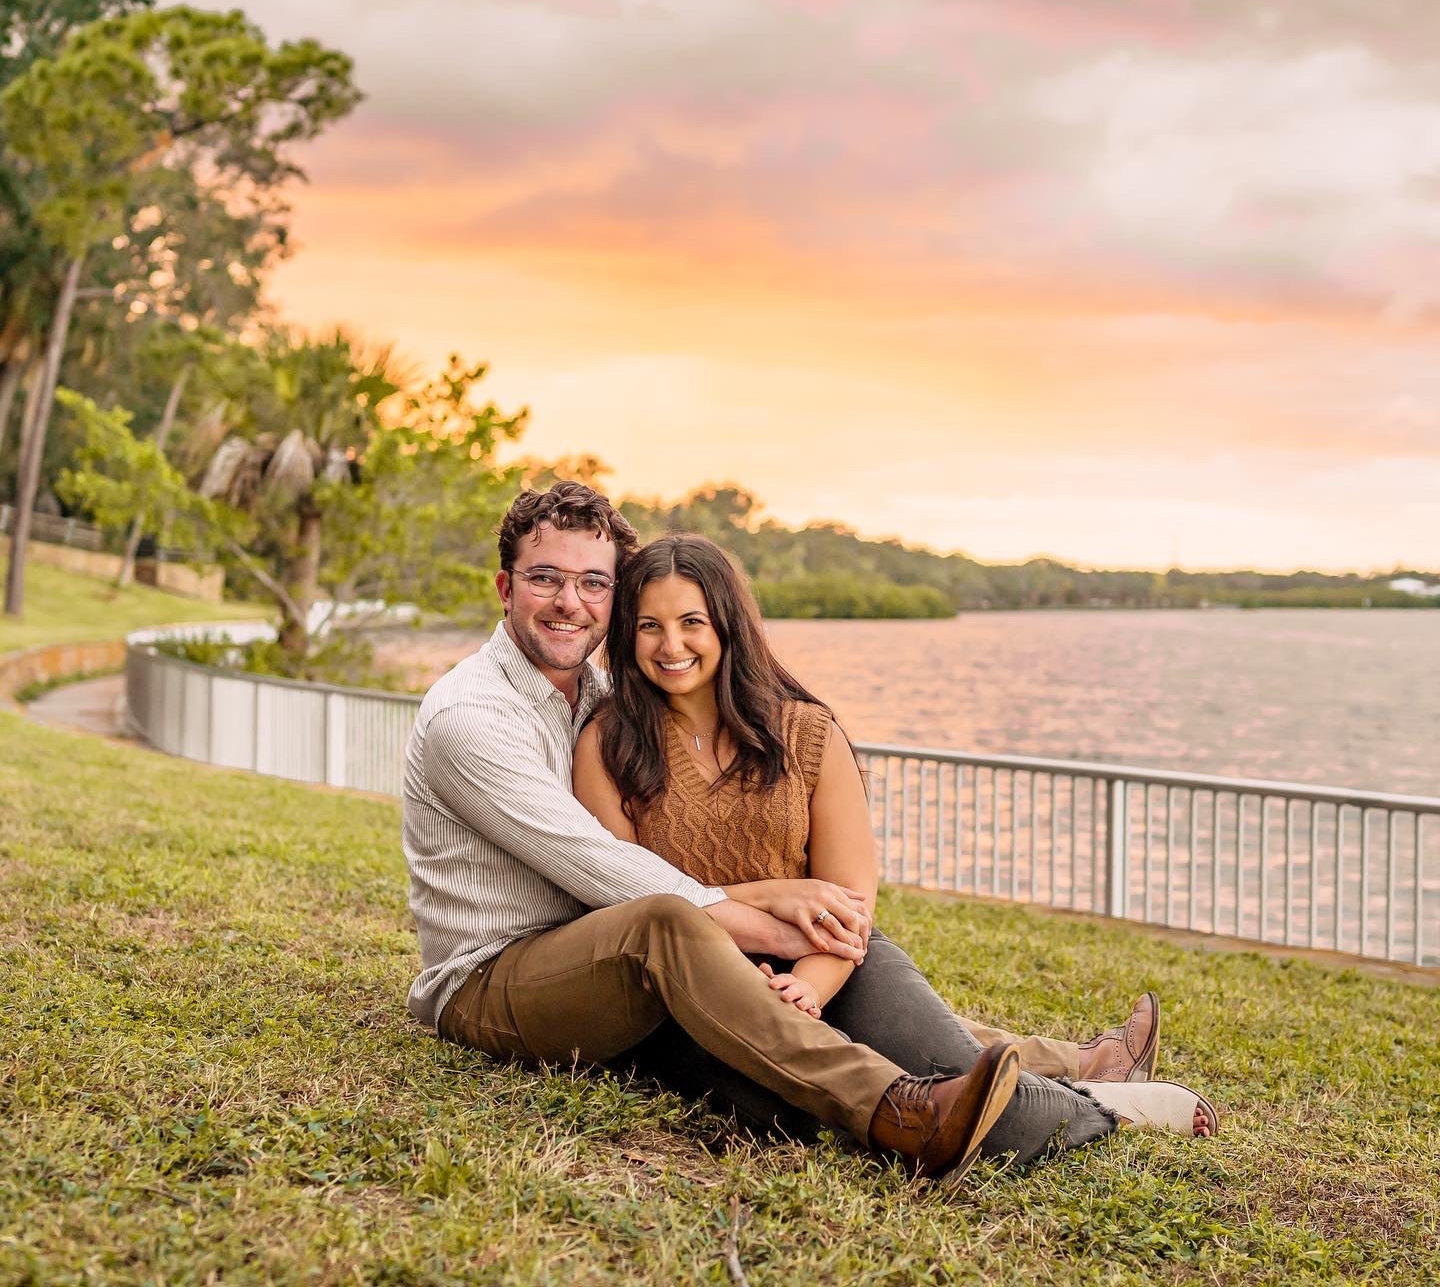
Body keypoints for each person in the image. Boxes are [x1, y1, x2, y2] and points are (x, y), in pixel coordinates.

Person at [403, 482, 1022, 1182]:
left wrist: (771, 904)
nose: (568, 601)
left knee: (740, 968)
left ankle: (1058, 1066)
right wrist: (779, 924)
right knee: (667, 924)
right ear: (505, 587)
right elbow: (599, 867)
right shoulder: (470, 718)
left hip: (595, 948)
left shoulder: (603, 698)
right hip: (493, 976)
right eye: (545, 578)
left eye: (592, 582)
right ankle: (899, 1112)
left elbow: (625, 876)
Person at [572, 533, 1220, 1159]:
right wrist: (769, 899)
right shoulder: (607, 745)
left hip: (835, 959)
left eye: (692, 621)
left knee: (960, 1076)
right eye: (648, 625)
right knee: (786, 1113)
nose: (671, 644)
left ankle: (1099, 1107)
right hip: (699, 984)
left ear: (728, 626)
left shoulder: (807, 733)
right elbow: (631, 892)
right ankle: (1091, 1087)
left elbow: (849, 897)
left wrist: (811, 988)